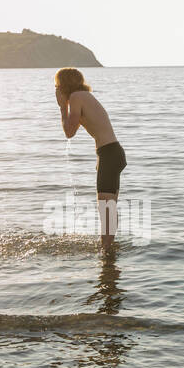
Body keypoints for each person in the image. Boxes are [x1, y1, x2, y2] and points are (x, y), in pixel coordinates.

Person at [55, 68, 125, 251]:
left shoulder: (77, 97)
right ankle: (109, 247)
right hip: (109, 153)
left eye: (57, 85)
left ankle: (107, 248)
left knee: (106, 204)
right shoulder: (83, 97)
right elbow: (73, 128)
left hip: (109, 153)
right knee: (108, 203)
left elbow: (69, 132)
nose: (56, 89)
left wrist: (62, 107)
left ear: (63, 85)